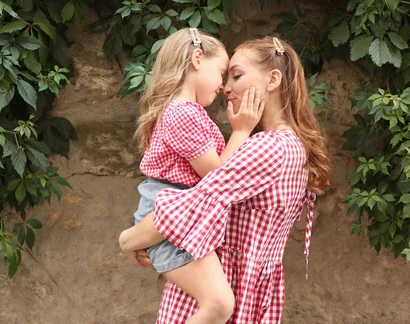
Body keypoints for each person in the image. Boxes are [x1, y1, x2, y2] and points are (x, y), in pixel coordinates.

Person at [119, 36, 331, 323]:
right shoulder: (289, 145)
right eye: (225, 76)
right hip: (246, 290)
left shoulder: (269, 148)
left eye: (237, 75)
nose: (226, 87)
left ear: (273, 80)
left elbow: (188, 208)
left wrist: (129, 239)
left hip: (228, 287)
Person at [120, 28, 264, 323]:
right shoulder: (182, 113)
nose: (223, 86)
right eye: (222, 72)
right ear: (197, 59)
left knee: (219, 304)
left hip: (182, 214)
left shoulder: (187, 112)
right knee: (219, 304)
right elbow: (218, 175)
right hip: (173, 214)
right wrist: (242, 130)